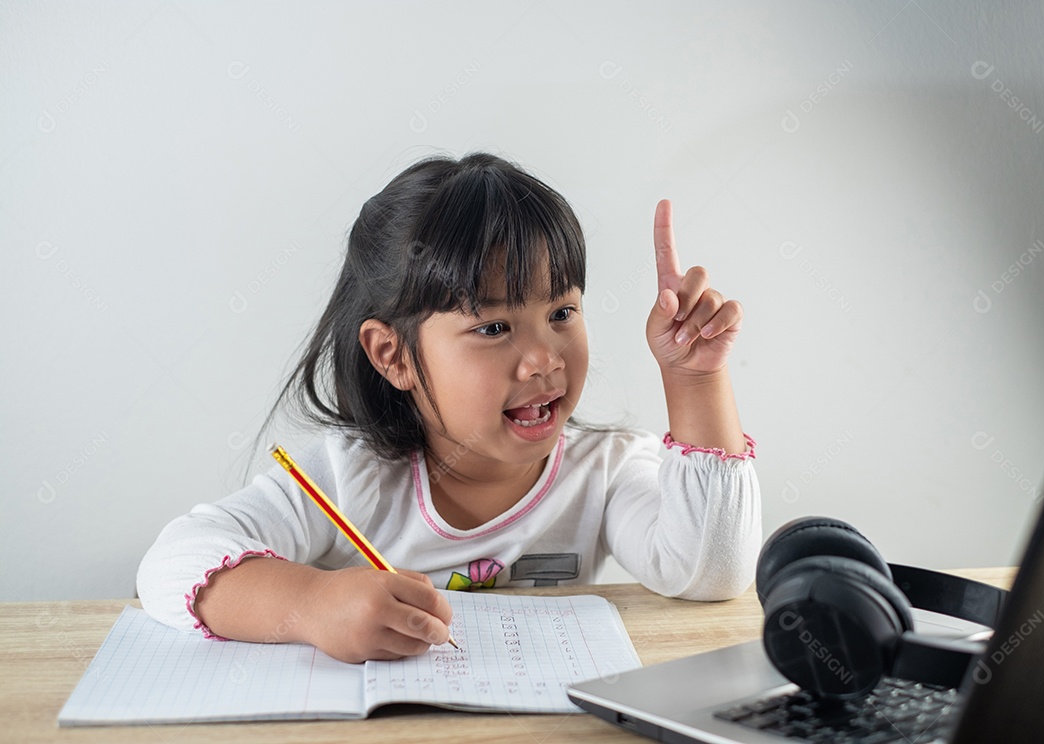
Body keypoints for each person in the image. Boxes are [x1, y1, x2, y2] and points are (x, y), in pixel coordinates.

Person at [137, 152, 761, 663]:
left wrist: (694, 382)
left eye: (561, 313)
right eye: (493, 328)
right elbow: (172, 564)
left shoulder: (606, 471)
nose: (544, 359)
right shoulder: (346, 480)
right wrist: (313, 606)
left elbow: (710, 573)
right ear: (394, 356)